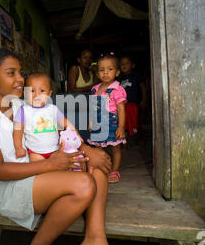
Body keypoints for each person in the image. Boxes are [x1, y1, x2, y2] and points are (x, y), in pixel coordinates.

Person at [0, 48, 151, 245]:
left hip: (37, 175)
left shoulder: (23, 103)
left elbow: (60, 125)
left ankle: (96, 243)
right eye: (11, 73)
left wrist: (86, 149)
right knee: (83, 185)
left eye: (21, 73)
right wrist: (52, 164)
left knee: (95, 167)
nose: (20, 79)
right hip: (6, 188)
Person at [13, 72, 82, 164]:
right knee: (40, 169)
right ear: (25, 93)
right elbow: (18, 130)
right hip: (35, 152)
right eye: (32, 91)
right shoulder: (24, 110)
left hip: (56, 150)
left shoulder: (53, 109)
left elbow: (65, 123)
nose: (37, 95)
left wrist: (74, 132)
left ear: (49, 93)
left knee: (59, 168)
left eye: (42, 91)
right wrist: (18, 148)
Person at [87, 53, 126, 183]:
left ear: (117, 72)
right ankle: (100, 168)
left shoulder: (117, 89)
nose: (105, 73)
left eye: (110, 69)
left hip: (112, 123)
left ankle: (114, 171)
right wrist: (91, 121)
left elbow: (121, 109)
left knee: (115, 148)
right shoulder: (95, 89)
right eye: (101, 70)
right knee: (97, 148)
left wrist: (121, 127)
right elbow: (93, 107)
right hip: (98, 122)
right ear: (97, 74)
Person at [119, 55, 147, 138]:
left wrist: (144, 100)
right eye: (122, 64)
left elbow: (143, 88)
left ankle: (141, 139)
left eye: (127, 63)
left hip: (133, 104)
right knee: (124, 124)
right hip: (123, 105)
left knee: (136, 124)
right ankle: (125, 143)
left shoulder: (136, 76)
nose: (124, 65)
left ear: (133, 65)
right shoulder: (119, 78)